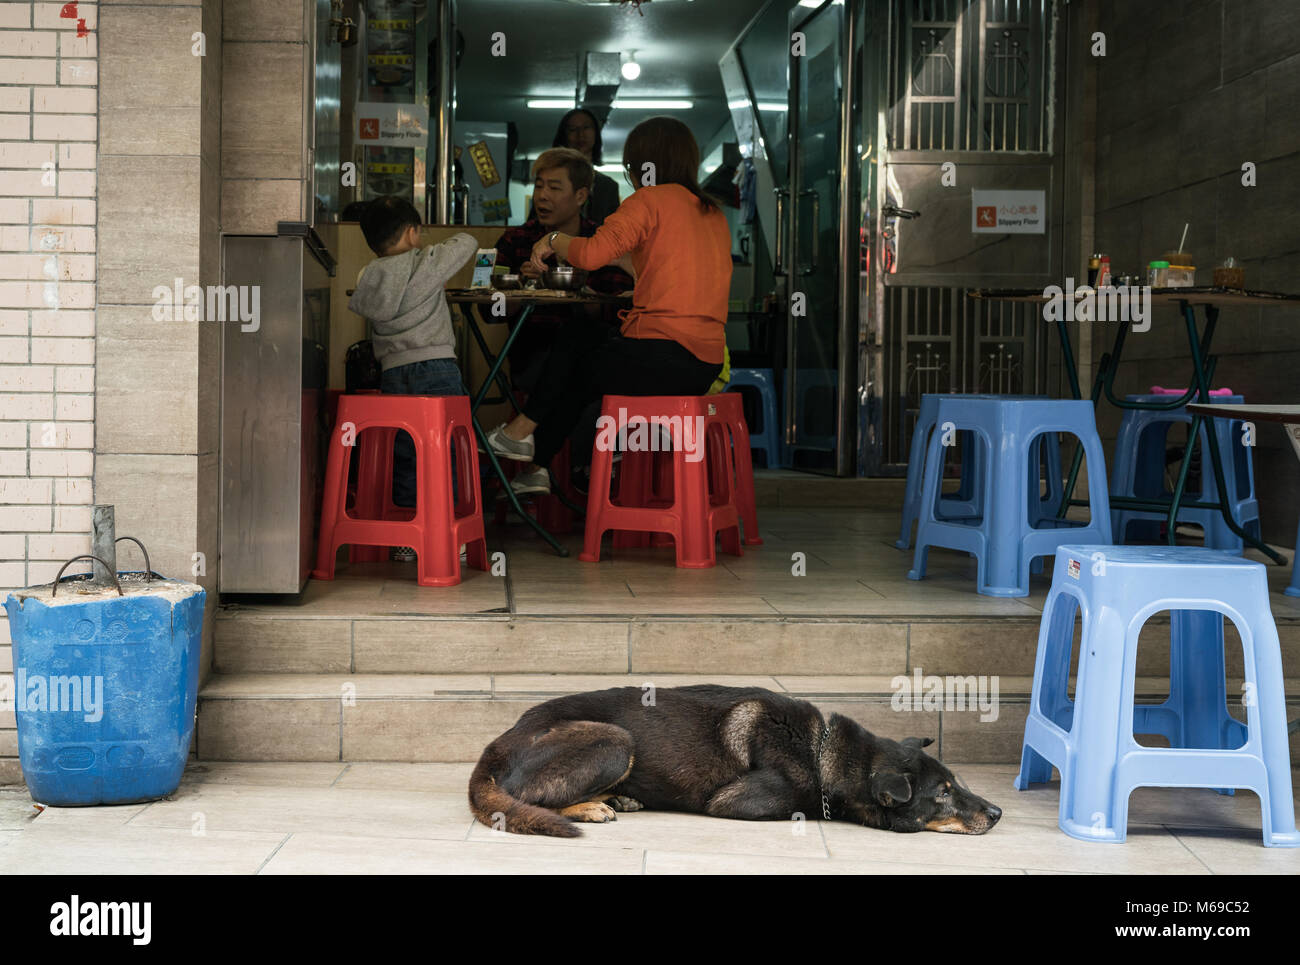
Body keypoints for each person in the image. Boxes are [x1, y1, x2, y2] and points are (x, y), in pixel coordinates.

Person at [484, 116, 731, 497]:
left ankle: (525, 436)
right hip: (703, 366)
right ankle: (534, 462)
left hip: (660, 354)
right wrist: (623, 262)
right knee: (581, 363)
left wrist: (552, 239)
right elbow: (665, 268)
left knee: (577, 348)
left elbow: (589, 253)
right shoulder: (709, 212)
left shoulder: (649, 200)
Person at [349, 196, 477, 557]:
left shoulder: (367, 275)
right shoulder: (426, 263)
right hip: (436, 367)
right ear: (411, 232)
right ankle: (449, 534)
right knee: (444, 450)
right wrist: (427, 247)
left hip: (393, 372)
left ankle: (409, 538)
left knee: (408, 451)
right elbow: (466, 242)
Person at [534, 108, 621, 226]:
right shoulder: (547, 180)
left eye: (586, 127)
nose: (580, 134)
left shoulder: (608, 186)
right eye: (572, 129)